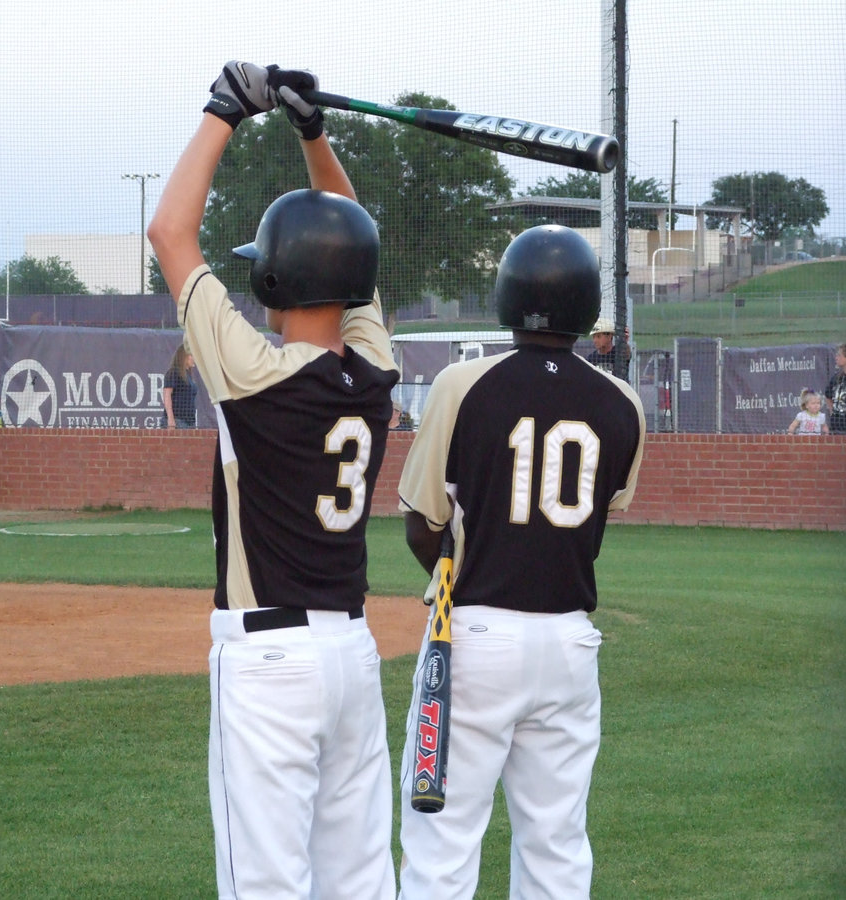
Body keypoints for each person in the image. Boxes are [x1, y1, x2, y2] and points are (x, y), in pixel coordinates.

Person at [147, 62, 399, 899]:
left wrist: (227, 109)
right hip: (352, 657)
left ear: (278, 279)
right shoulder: (375, 370)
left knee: (265, 884)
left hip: (269, 664)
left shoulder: (254, 375)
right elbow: (352, 237)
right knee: (358, 879)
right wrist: (311, 131)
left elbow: (169, 234)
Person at [396, 225, 646, 899]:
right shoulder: (623, 402)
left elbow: (421, 524)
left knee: (441, 842)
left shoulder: (461, 382)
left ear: (508, 294)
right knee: (557, 846)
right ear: (584, 305)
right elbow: (597, 518)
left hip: (473, 634)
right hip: (569, 642)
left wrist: (454, 578)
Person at [162, 342, 198, 428]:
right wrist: (171, 419)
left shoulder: (188, 375)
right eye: (192, 355)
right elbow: (167, 395)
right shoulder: (174, 372)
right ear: (184, 356)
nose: (194, 359)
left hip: (190, 421)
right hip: (178, 420)